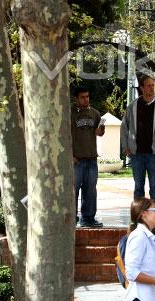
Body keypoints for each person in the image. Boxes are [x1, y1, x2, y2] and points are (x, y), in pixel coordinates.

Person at [121, 74, 155, 203]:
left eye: (153, 85)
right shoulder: (133, 106)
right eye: (149, 86)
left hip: (154, 154)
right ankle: (138, 217)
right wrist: (125, 146)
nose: (152, 88)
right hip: (136, 154)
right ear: (142, 88)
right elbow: (124, 127)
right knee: (138, 187)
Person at [71, 87, 105, 227]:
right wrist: (70, 156)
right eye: (83, 97)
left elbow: (100, 133)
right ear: (76, 99)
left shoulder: (95, 113)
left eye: (87, 96)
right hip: (76, 160)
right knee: (73, 190)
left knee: (90, 190)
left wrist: (101, 129)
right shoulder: (71, 114)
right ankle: (71, 219)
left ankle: (89, 218)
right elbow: (65, 136)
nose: (86, 99)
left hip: (91, 159)